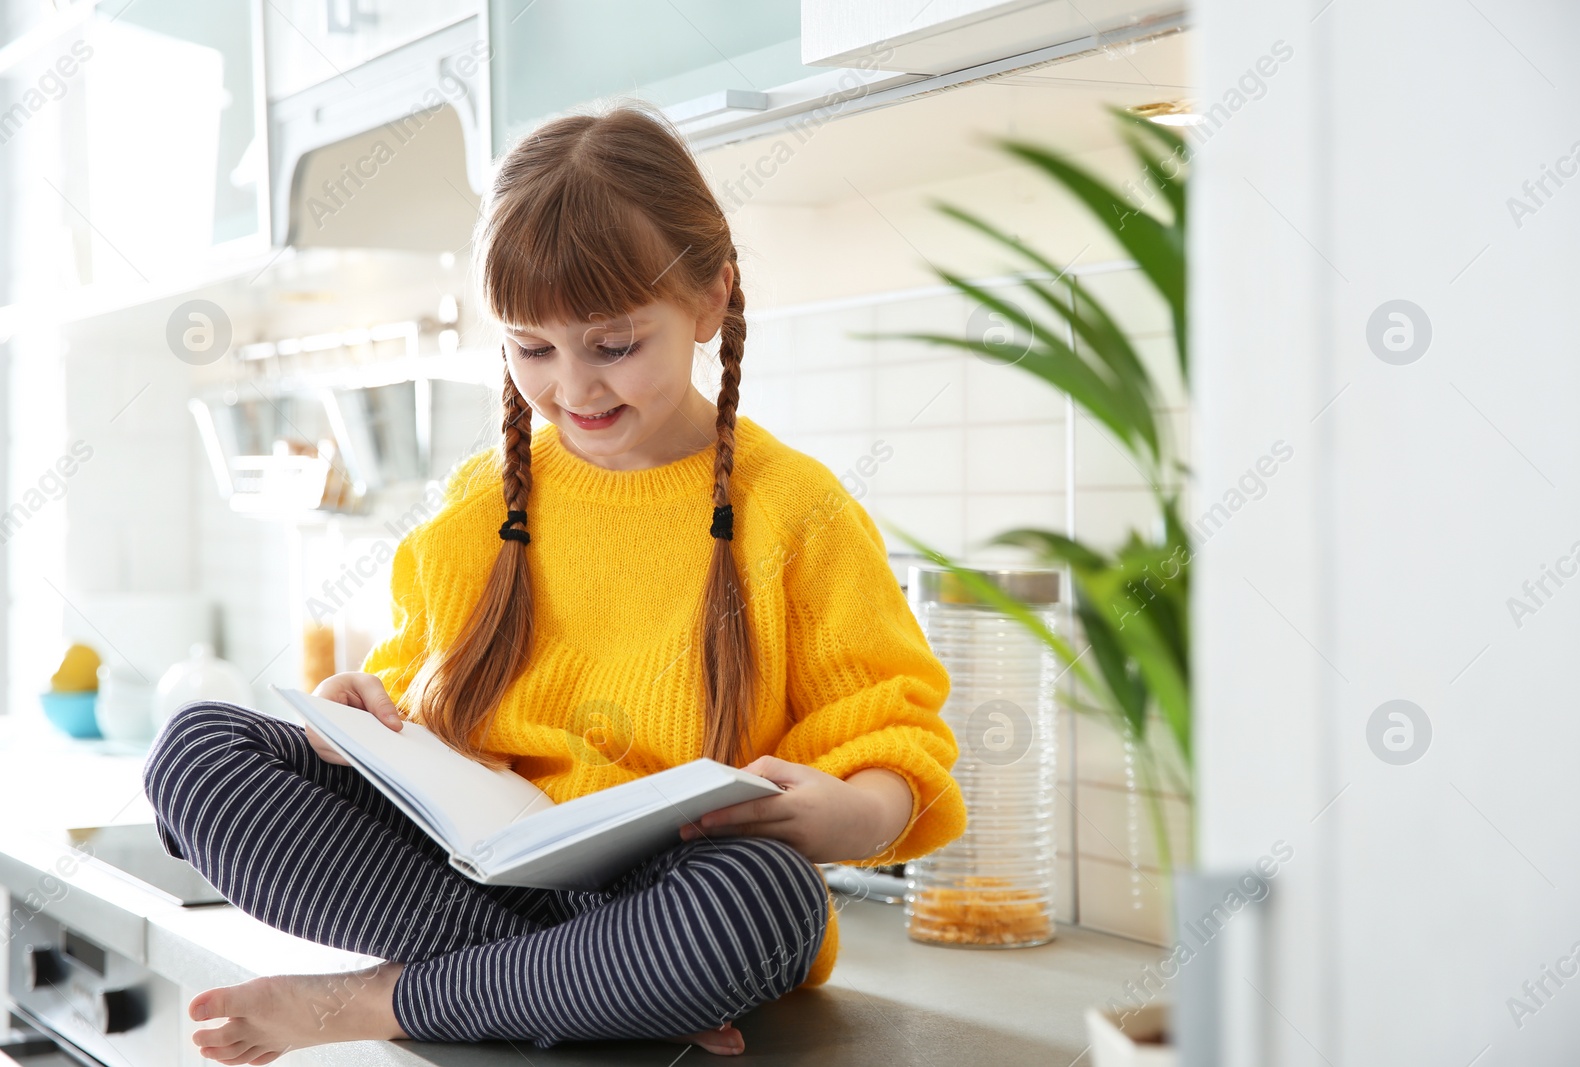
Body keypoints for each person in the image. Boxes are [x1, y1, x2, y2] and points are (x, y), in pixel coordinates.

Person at [142, 99, 965, 1065]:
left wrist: (853, 812)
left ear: (709, 299)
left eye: (613, 345)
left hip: (677, 888)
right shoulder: (478, 501)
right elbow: (416, 712)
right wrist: (358, 719)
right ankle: (596, 982)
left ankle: (395, 997)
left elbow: (894, 734)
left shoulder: (798, 508)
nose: (574, 389)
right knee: (197, 750)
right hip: (470, 875)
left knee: (766, 899)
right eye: (532, 349)